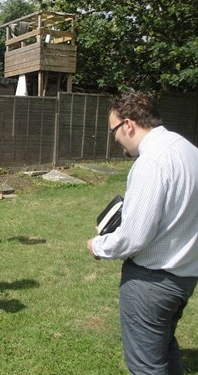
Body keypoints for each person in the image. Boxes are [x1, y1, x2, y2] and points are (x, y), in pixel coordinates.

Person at [86, 90, 198, 374]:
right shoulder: (188, 150)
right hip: (185, 277)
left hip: (152, 283)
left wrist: (98, 246)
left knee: (146, 366)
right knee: (165, 347)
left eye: (114, 130)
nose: (114, 138)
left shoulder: (151, 162)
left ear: (128, 124)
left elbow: (134, 236)